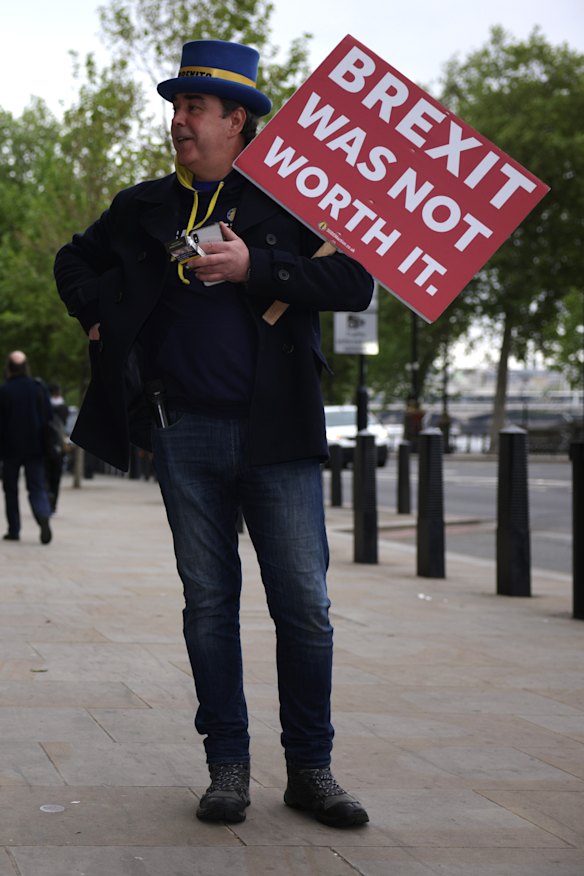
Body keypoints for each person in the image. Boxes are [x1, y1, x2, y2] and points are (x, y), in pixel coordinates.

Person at [54, 39, 373, 827]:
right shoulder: (143, 208)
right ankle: (227, 768)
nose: (179, 122)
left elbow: (356, 279)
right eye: (176, 108)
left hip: (281, 436)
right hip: (184, 432)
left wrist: (253, 269)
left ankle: (311, 770)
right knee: (208, 607)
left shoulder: (294, 202)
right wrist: (101, 317)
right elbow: (72, 262)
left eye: (195, 108)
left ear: (240, 120)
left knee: (303, 606)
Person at [0, 351, 53, 544]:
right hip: (36, 446)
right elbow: (48, 416)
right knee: (37, 486)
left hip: (10, 448)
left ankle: (14, 529)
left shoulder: (4, 391)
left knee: (11, 489)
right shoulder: (38, 388)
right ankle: (43, 513)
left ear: (9, 368)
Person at [45, 383, 69, 511]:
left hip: (45, 447)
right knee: (56, 478)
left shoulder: (44, 407)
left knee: (46, 477)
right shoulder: (64, 409)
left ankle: (48, 498)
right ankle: (53, 505)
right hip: (59, 447)